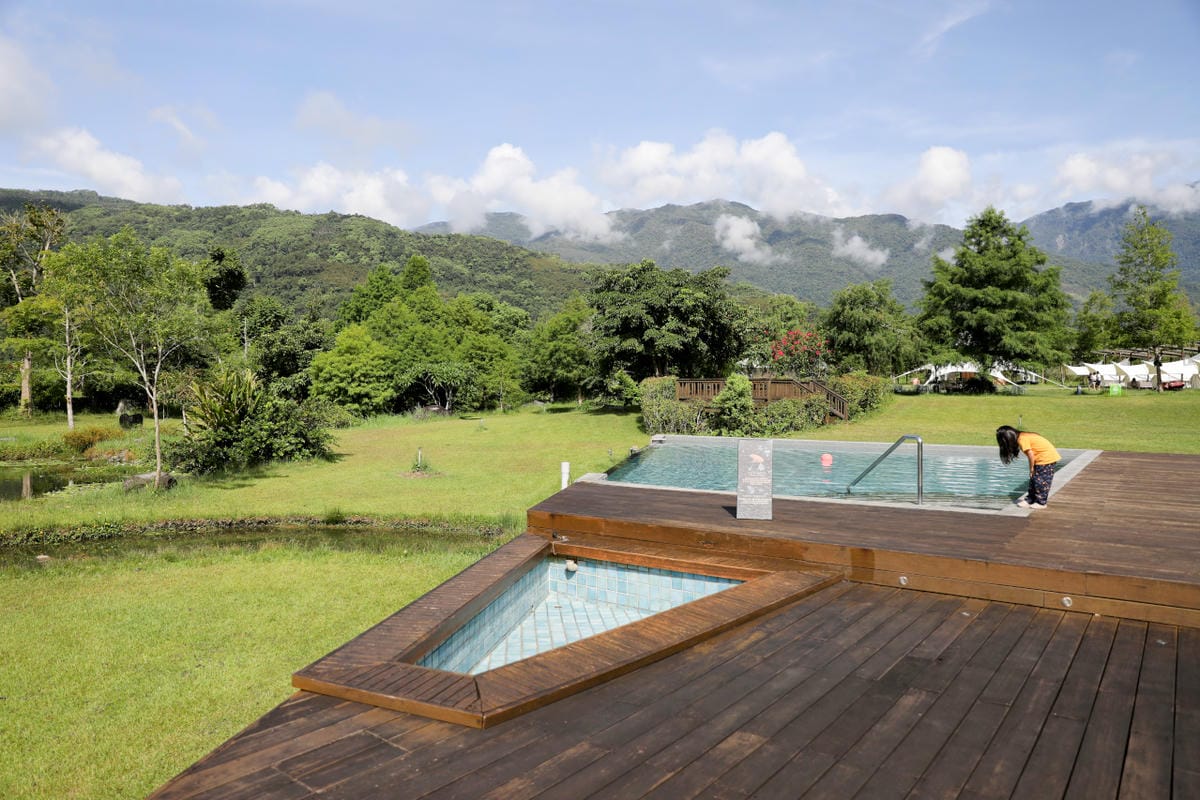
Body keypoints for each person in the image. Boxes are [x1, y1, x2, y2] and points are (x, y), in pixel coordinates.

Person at [996, 425, 1060, 509]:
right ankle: (1030, 499)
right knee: (1034, 480)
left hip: (1046, 459)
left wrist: (1031, 468)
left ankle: (1041, 502)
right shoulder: (1022, 436)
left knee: (1041, 482)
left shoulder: (1022, 439)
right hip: (1042, 458)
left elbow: (1030, 454)